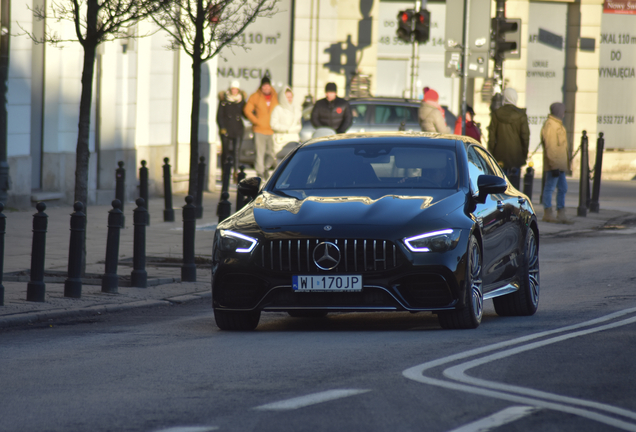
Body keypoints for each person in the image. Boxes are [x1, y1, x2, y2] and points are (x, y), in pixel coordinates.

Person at [487, 87, 530, 189]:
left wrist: (491, 153)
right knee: (514, 185)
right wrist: (524, 153)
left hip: (500, 154)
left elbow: (492, 136)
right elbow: (525, 136)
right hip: (516, 154)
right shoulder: (521, 115)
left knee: (500, 184)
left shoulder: (496, 114)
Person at [541, 102, 572, 224]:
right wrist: (553, 165)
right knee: (550, 188)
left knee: (563, 188)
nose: (564, 114)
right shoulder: (551, 125)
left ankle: (561, 212)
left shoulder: (558, 125)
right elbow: (550, 147)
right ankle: (547, 212)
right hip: (554, 165)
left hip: (559, 165)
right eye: (563, 112)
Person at [244, 75, 279, 179]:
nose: (266, 88)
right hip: (259, 130)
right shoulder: (255, 96)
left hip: (272, 129)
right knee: (260, 153)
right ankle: (260, 172)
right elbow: (247, 110)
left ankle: (266, 167)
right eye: (264, 86)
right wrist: (256, 121)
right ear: (261, 86)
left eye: (268, 86)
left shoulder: (276, 96)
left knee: (271, 153)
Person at [216, 80, 246, 181]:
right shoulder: (224, 100)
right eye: (233, 89)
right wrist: (222, 128)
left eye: (236, 89)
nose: (234, 91)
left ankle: (236, 173)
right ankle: (225, 173)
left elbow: (246, 113)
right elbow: (219, 116)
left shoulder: (241, 100)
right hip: (226, 130)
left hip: (238, 129)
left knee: (236, 152)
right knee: (225, 152)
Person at [270, 85, 302, 158]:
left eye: (291, 97)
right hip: (281, 141)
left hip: (294, 139)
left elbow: (299, 124)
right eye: (287, 97)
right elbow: (273, 124)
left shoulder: (296, 110)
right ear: (283, 97)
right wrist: (286, 129)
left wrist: (294, 129)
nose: (290, 99)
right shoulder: (277, 109)